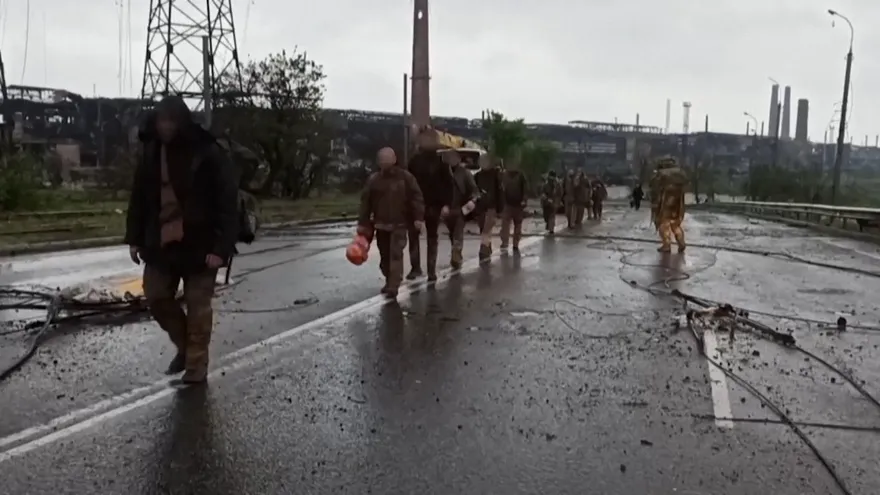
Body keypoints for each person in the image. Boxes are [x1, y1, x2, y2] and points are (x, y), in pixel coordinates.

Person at [124, 95, 239, 385]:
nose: (165, 127)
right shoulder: (151, 151)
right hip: (160, 243)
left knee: (198, 306)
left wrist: (220, 248)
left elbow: (227, 202)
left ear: (181, 122)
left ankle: (196, 367)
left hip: (201, 245)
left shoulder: (207, 152)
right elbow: (139, 198)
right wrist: (135, 239)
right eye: (161, 121)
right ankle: (188, 349)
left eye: (170, 121)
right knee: (156, 296)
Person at [358, 147, 425, 297]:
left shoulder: (405, 178)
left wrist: (418, 218)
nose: (385, 161)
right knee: (384, 257)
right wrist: (363, 223)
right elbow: (365, 203)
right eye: (382, 159)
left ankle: (393, 285)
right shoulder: (374, 180)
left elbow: (417, 198)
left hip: (400, 224)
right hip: (381, 224)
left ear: (394, 159)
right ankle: (389, 280)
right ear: (378, 162)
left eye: (388, 158)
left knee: (395, 254)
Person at [405, 128, 452, 281]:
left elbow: (448, 185)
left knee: (429, 236)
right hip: (418, 204)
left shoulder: (441, 164)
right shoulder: (414, 162)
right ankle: (417, 268)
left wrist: (446, 204)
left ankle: (429, 270)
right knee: (416, 236)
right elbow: (408, 183)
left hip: (432, 204)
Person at [443, 150, 479, 269]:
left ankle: (456, 256)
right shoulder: (443, 172)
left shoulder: (465, 173)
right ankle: (456, 251)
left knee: (458, 232)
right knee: (452, 233)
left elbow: (474, 190)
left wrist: (472, 201)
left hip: (460, 208)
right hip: (447, 208)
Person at [649, 157, 688, 252]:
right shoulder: (679, 172)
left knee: (663, 224)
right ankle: (681, 242)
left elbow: (653, 187)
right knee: (675, 224)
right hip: (678, 203)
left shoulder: (661, 174)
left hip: (664, 202)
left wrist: (654, 203)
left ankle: (666, 245)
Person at [473, 155, 503, 260]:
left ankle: (484, 249)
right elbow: (473, 191)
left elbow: (500, 192)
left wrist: (500, 208)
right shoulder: (477, 176)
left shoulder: (496, 175)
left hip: (492, 206)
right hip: (480, 206)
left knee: (486, 228)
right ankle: (487, 246)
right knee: (483, 228)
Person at [499, 159, 528, 252]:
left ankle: (516, 243)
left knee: (518, 225)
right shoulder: (505, 175)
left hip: (518, 204)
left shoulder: (521, 175)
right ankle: (505, 242)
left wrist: (524, 200)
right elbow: (501, 188)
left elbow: (525, 189)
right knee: (505, 225)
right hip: (507, 204)